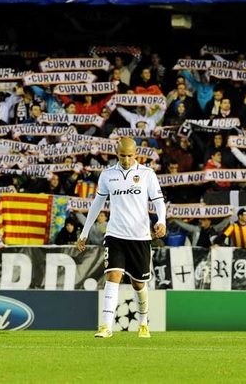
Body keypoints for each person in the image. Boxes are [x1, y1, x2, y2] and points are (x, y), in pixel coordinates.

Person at [77, 137, 166, 339]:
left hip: (140, 237)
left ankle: (143, 323)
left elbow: (159, 201)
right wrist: (84, 232)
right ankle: (105, 326)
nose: (126, 160)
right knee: (113, 276)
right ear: (116, 154)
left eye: (129, 156)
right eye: (122, 156)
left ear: (136, 154)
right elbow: (97, 205)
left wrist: (161, 221)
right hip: (115, 234)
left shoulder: (147, 174)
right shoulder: (108, 175)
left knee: (138, 284)